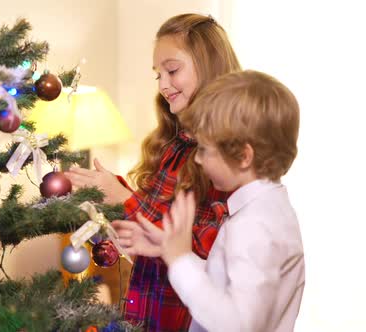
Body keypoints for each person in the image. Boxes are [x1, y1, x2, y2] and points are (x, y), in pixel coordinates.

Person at [65, 14, 241, 331]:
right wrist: (111, 199)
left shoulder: (225, 155)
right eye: (157, 74)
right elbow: (153, 233)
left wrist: (126, 198)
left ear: (208, 66)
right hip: (146, 315)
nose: (162, 85)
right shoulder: (173, 147)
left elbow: (203, 244)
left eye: (172, 70)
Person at [121, 70, 304, 332]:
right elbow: (229, 282)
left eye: (204, 150)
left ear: (243, 156)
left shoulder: (254, 225)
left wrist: (182, 261)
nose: (196, 159)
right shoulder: (266, 210)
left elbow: (239, 324)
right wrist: (170, 251)